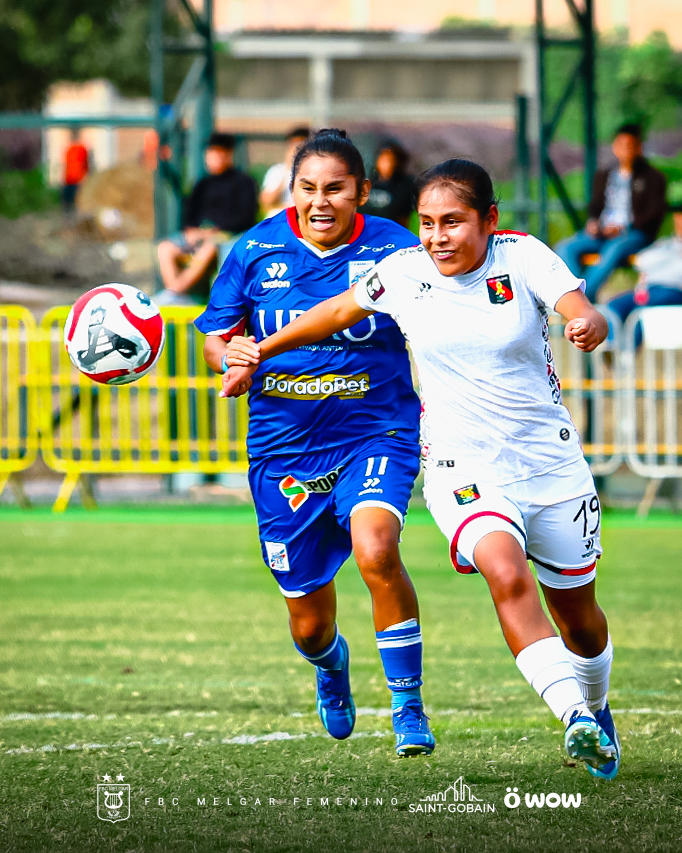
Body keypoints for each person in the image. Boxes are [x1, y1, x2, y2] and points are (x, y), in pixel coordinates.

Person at [224, 158, 621, 780]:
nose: (437, 237)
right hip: (463, 466)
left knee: (582, 622)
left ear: (489, 221)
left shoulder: (524, 258)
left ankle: (596, 707)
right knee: (505, 575)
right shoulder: (404, 272)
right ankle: (574, 719)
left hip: (550, 464)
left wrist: (587, 321)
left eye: (454, 222)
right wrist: (257, 352)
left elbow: (580, 307)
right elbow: (333, 314)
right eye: (428, 223)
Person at [196, 128, 435, 757]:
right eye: (308, 187)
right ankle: (331, 665)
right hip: (285, 450)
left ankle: (407, 707)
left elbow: (440, 322)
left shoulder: (397, 249)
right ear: (292, 188)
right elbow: (217, 336)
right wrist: (234, 355)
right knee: (309, 624)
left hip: (374, 429)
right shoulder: (254, 250)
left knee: (376, 549)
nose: (320, 201)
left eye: (335, 188)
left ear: (361, 190)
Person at [555, 123, 667, 302]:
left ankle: (581, 301)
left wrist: (623, 228)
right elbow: (595, 207)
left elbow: (654, 213)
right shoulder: (605, 174)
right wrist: (593, 223)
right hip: (603, 232)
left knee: (613, 249)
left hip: (633, 234)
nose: (625, 150)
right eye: (621, 145)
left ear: (639, 147)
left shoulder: (653, 177)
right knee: (565, 247)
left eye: (630, 145)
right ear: (615, 147)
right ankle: (579, 296)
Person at [157, 132, 258, 305]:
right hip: (198, 236)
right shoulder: (202, 183)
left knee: (209, 248)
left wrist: (213, 232)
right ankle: (176, 293)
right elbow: (189, 215)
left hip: (226, 237)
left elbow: (246, 218)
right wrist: (193, 232)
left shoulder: (244, 182)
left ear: (228, 155)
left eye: (219, 153)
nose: (214, 158)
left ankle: (174, 292)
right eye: (211, 153)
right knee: (165, 248)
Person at [607, 199, 682, 346]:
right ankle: (612, 347)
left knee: (639, 311)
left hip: (673, 291)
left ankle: (627, 354)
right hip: (648, 289)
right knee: (614, 305)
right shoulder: (667, 244)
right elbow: (642, 261)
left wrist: (663, 261)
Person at [259, 126, 310, 218]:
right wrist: (287, 168)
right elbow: (266, 202)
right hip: (281, 218)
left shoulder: (315, 172)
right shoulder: (277, 170)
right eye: (293, 145)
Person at [362, 140, 415, 228]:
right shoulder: (369, 182)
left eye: (390, 160)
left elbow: (405, 217)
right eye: (383, 159)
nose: (386, 164)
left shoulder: (405, 185)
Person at [62, 128, 89, 215]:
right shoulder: (70, 149)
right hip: (70, 180)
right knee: (68, 204)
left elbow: (85, 165)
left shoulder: (81, 149)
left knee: (76, 203)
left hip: (77, 181)